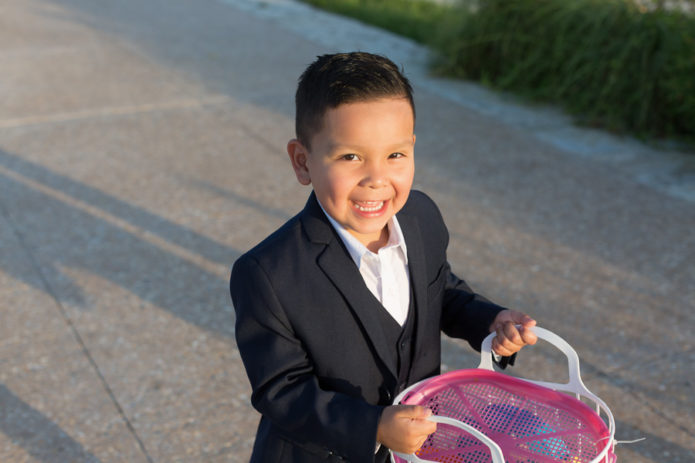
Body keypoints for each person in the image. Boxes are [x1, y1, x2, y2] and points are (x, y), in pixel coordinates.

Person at [230, 51, 537, 463]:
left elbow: (441, 290)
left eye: (395, 155)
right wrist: (372, 426)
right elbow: (281, 391)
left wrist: (489, 321)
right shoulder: (267, 273)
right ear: (302, 162)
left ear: (412, 148)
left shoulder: (422, 217)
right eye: (351, 157)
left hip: (420, 449)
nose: (377, 178)